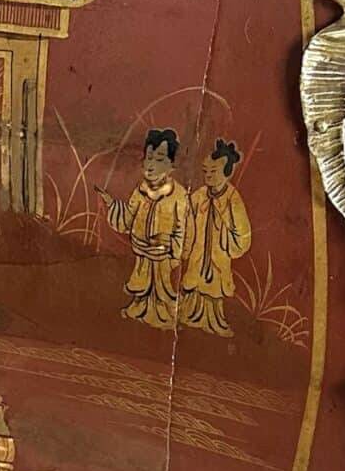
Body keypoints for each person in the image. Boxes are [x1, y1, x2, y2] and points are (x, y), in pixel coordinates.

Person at [107, 127, 190, 330]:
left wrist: (172, 247)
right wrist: (113, 206)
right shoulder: (140, 191)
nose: (151, 165)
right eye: (149, 158)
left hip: (163, 254)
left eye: (159, 159)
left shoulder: (179, 195)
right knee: (142, 285)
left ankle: (162, 314)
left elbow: (183, 229)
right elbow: (128, 219)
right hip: (142, 252)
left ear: (171, 165)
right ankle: (141, 308)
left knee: (162, 288)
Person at [180, 137, 252, 336]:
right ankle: (190, 315)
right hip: (198, 251)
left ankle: (214, 321)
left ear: (227, 172)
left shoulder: (232, 199)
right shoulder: (199, 196)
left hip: (219, 254)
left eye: (214, 171)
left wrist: (227, 240)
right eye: (206, 171)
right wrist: (186, 246)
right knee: (195, 284)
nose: (208, 176)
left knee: (214, 289)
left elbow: (243, 232)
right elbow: (188, 221)